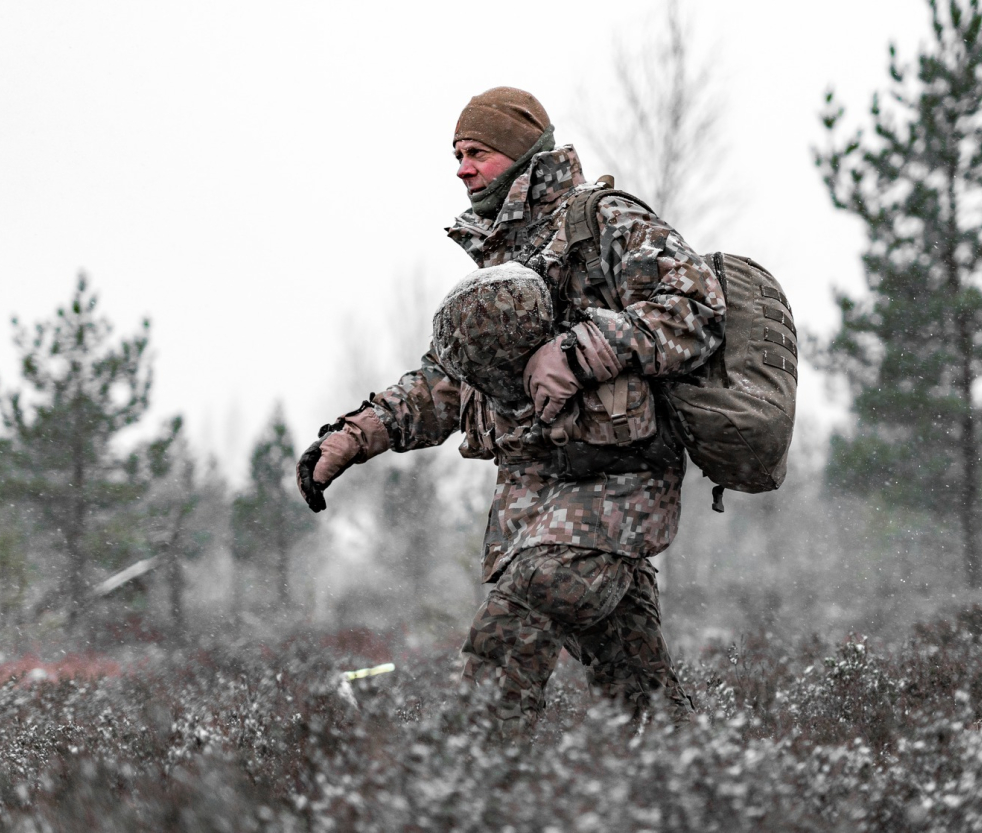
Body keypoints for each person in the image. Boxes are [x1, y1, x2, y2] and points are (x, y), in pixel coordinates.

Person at [297, 87, 725, 733]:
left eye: (479, 153)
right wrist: (357, 436)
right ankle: (710, 787)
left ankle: (467, 792)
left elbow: (695, 308)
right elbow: (449, 378)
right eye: (457, 155)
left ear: (524, 154)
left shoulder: (604, 221)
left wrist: (582, 349)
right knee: (643, 699)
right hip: (534, 501)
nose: (463, 167)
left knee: (515, 624)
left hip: (616, 484)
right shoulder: (501, 253)